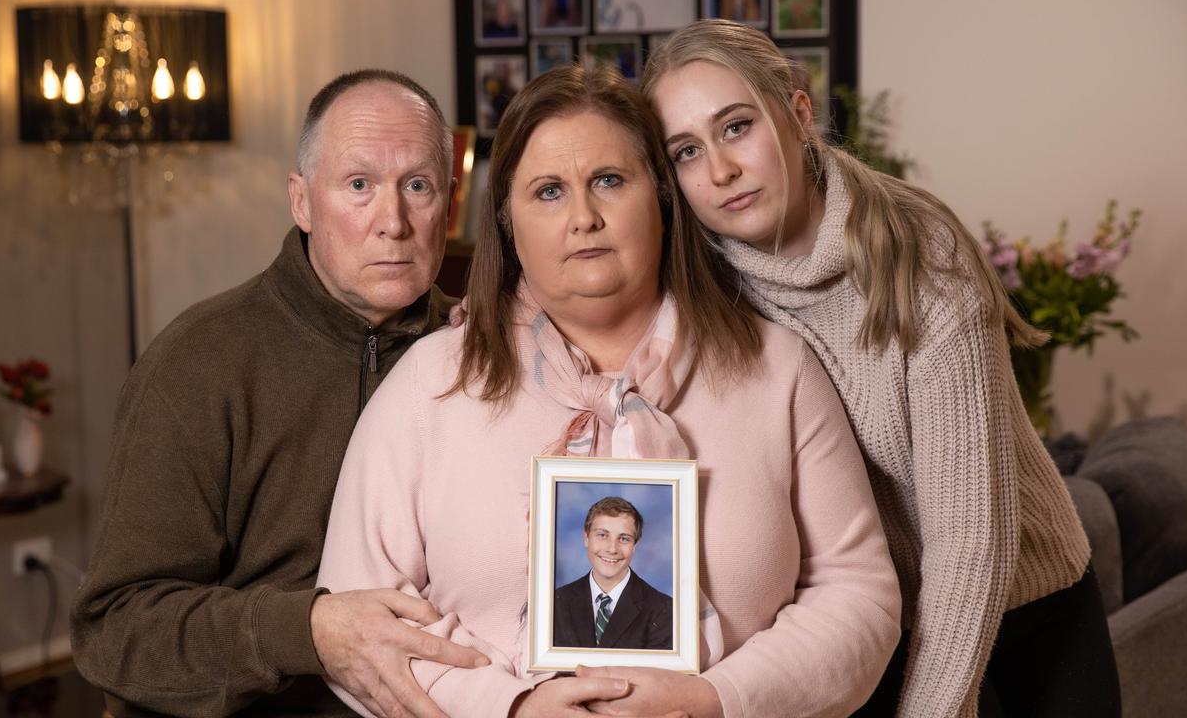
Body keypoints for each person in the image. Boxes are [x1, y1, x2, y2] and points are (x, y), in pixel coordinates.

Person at [317, 64, 900, 718]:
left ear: (661, 196)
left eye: (609, 181)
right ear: (506, 219)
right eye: (547, 192)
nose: (583, 218)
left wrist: (718, 698)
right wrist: (511, 709)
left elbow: (860, 597)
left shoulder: (779, 369)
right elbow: (361, 625)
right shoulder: (429, 384)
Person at [642, 19, 1121, 718]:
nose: (720, 171)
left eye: (737, 127)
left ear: (799, 114)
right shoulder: (702, 277)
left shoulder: (920, 259)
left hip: (1024, 607)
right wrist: (507, 314)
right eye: (687, 151)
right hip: (871, 625)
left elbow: (969, 543)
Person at [70, 70, 491, 718]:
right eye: (359, 185)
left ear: (449, 201)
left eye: (418, 186)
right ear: (302, 201)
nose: (394, 221)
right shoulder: (196, 365)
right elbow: (114, 631)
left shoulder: (485, 352)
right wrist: (311, 632)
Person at [553, 497, 673, 650]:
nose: (612, 549)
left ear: (635, 545)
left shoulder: (663, 610)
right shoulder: (555, 603)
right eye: (602, 535)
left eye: (624, 539)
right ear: (586, 538)